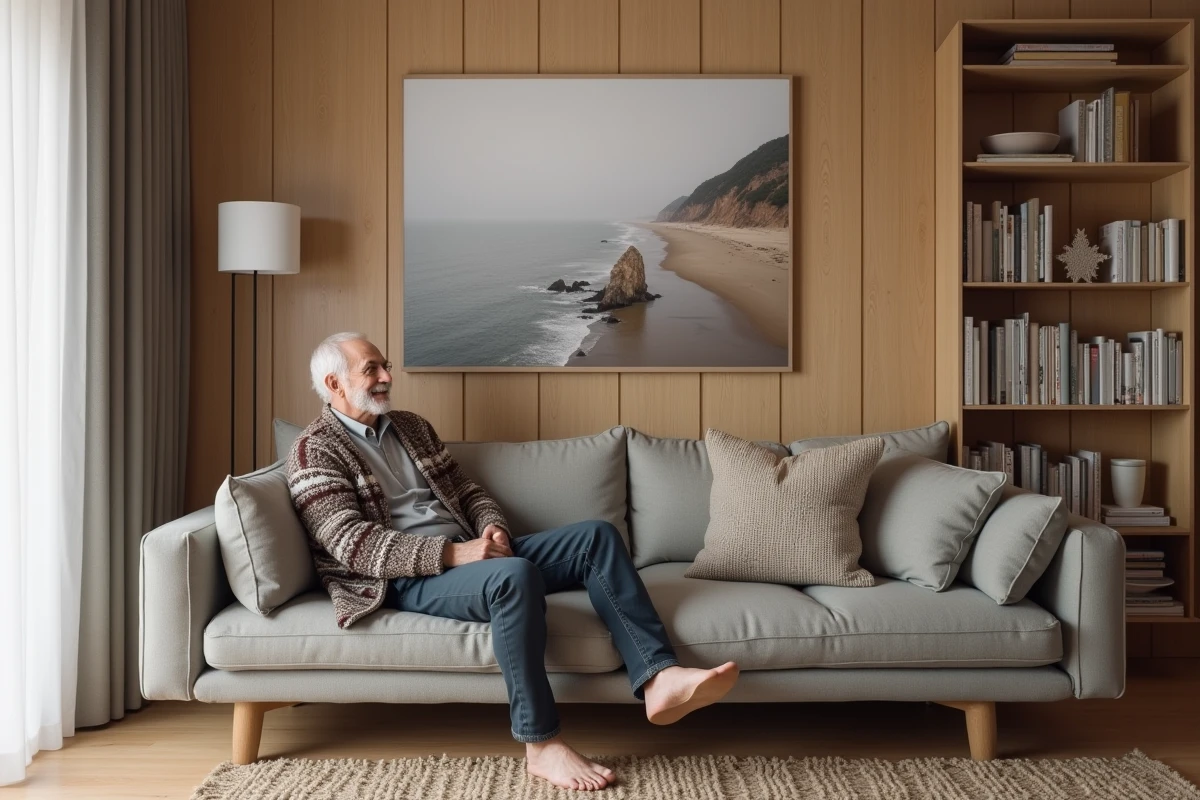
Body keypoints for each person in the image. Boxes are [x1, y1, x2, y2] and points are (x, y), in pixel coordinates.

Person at [286, 331, 740, 792]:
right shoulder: (314, 450)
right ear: (335, 383)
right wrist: (453, 553)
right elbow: (351, 543)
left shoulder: (410, 426)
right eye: (372, 370)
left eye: (384, 366)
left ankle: (658, 676)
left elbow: (466, 492)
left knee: (597, 537)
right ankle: (541, 745)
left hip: (473, 551)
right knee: (513, 576)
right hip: (404, 576)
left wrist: (490, 528)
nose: (387, 377)